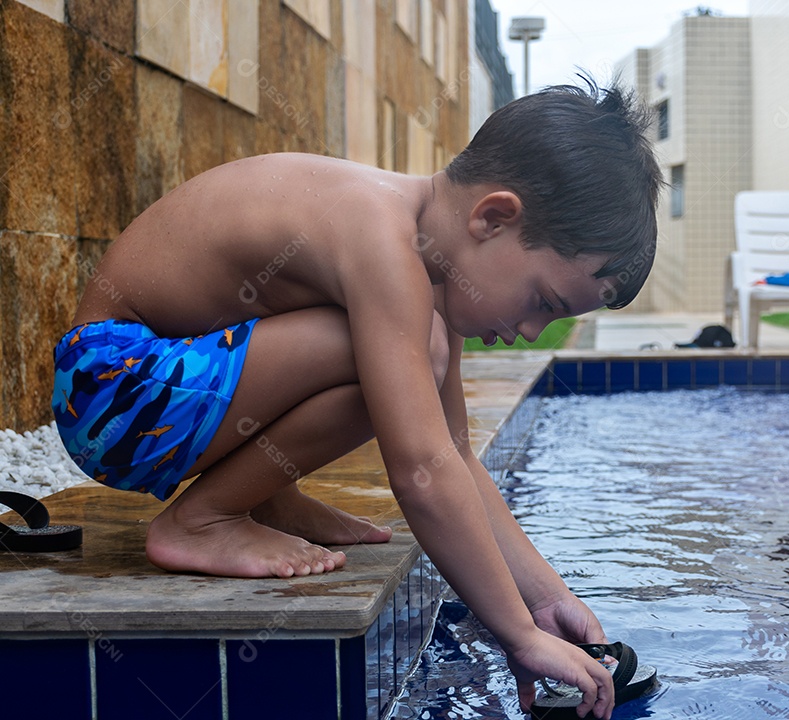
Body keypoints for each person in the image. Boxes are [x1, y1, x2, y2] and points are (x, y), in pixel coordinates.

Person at [52, 77, 660, 718]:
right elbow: (421, 471)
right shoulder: (381, 238)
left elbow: (456, 455)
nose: (531, 331)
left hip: (151, 393)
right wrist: (515, 635)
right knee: (408, 351)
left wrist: (543, 599)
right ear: (493, 216)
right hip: (112, 392)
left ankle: (262, 495)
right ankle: (202, 520)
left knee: (413, 346)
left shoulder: (425, 255)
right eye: (545, 302)